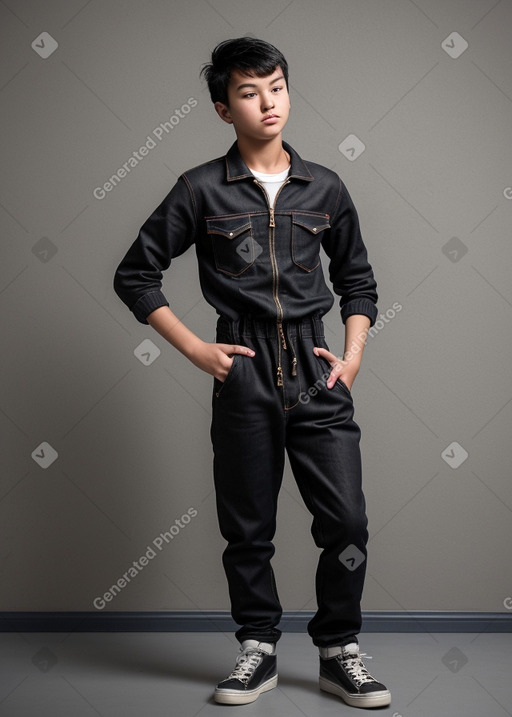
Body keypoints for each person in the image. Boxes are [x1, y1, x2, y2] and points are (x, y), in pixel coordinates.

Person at [113, 37, 391, 709]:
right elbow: (135, 274)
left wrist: (351, 358)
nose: (267, 102)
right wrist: (197, 351)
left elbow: (358, 282)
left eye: (276, 87)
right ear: (222, 108)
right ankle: (257, 649)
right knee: (248, 526)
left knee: (347, 520)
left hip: (317, 371)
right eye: (248, 92)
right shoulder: (201, 189)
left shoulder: (325, 185)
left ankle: (339, 650)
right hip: (242, 373)